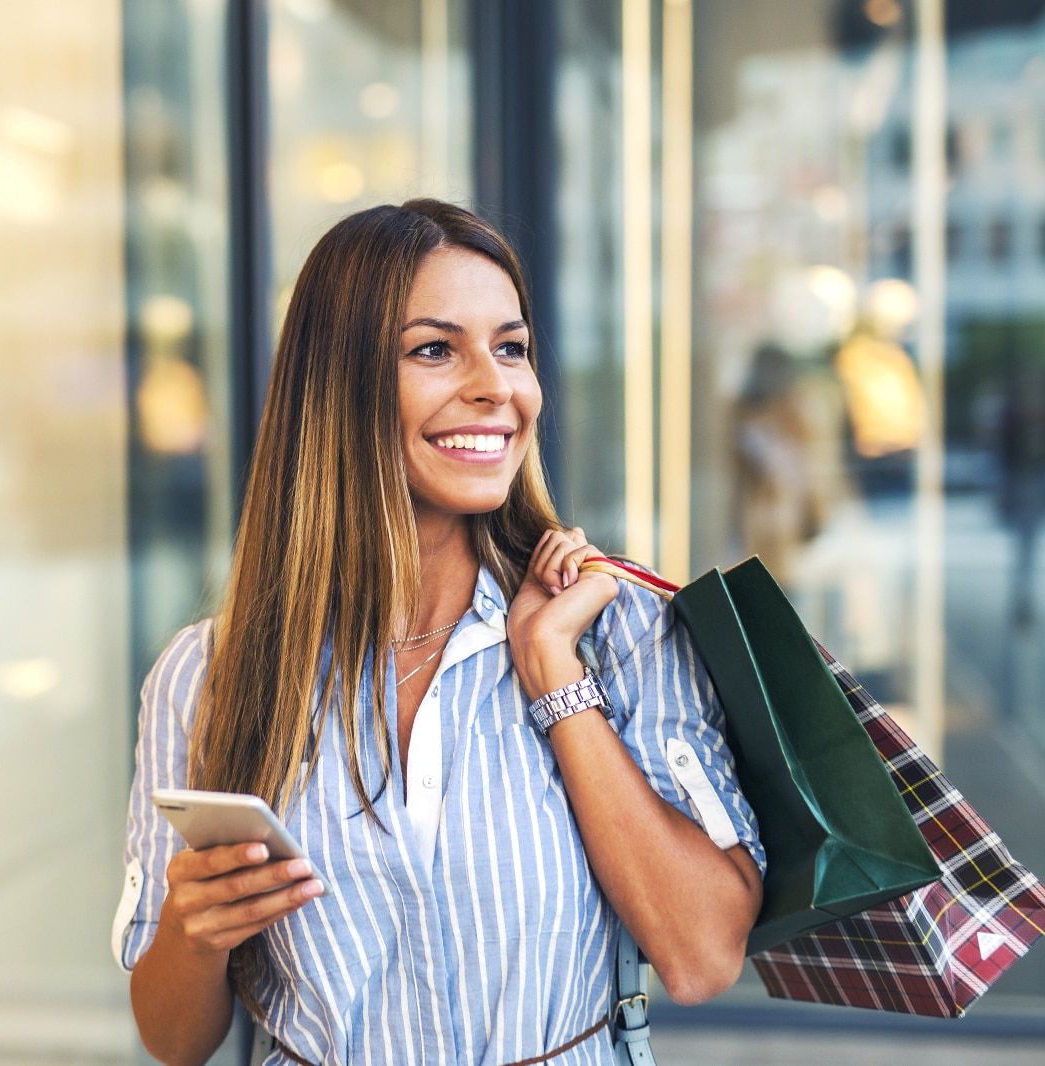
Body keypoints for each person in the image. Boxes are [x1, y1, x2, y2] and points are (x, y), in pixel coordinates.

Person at [114, 200, 765, 1065]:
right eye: (434, 349)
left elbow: (702, 957)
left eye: (511, 347)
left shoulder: (616, 631)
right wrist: (196, 937)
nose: (496, 387)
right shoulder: (210, 675)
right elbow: (172, 1040)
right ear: (336, 387)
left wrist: (552, 674)